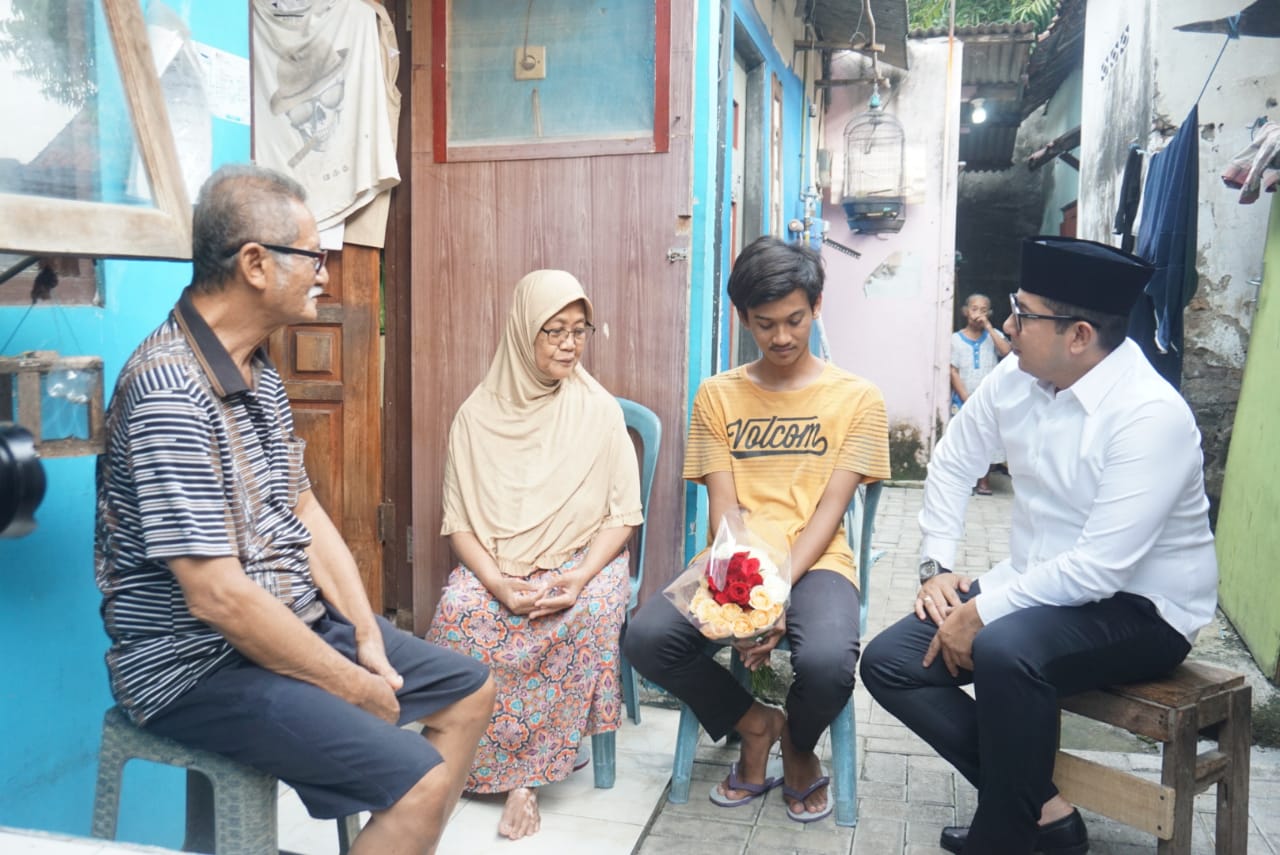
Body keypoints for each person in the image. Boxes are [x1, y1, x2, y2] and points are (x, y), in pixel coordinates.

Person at [95, 164, 495, 855]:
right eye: (313, 255)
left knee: (472, 690)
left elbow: (303, 509)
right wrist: (350, 684)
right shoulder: (169, 389)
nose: (324, 273)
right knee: (419, 780)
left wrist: (365, 632)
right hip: (199, 667)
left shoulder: (257, 368)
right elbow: (218, 598)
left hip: (284, 623)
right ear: (254, 263)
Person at [860, 236, 1219, 855]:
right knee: (891, 662)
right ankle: (1044, 812)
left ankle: (1003, 833)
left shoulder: (1149, 416)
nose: (1007, 325)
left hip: (1142, 608)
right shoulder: (1015, 379)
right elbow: (950, 464)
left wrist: (979, 611)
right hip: (1036, 585)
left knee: (1004, 646)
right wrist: (937, 567)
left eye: (1023, 314)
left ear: (1079, 335)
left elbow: (1099, 570)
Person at [624, 236, 891, 824]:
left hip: (815, 561)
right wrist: (743, 598)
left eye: (795, 319)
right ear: (744, 318)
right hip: (733, 558)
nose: (782, 337)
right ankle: (754, 723)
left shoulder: (857, 399)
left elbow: (829, 510)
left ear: (816, 307)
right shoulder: (718, 396)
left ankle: (797, 742)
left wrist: (777, 596)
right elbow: (724, 508)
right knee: (647, 638)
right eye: (765, 324)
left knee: (825, 663)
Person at [425, 269, 642, 841]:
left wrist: (577, 575)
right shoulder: (476, 416)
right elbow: (461, 528)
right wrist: (496, 584)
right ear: (524, 333)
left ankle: (527, 782)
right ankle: (462, 761)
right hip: (500, 562)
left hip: (583, 559)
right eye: (554, 331)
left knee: (586, 614)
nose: (570, 344)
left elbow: (622, 516)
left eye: (579, 330)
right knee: (461, 613)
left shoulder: (598, 411)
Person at [950, 293, 1010, 495]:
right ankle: (966, 481)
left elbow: (1006, 353)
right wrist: (966, 399)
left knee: (987, 438)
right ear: (965, 311)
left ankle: (984, 480)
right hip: (964, 397)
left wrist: (989, 327)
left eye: (984, 310)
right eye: (974, 309)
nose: (978, 314)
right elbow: (953, 371)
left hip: (989, 398)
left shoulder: (995, 336)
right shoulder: (955, 340)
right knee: (966, 438)